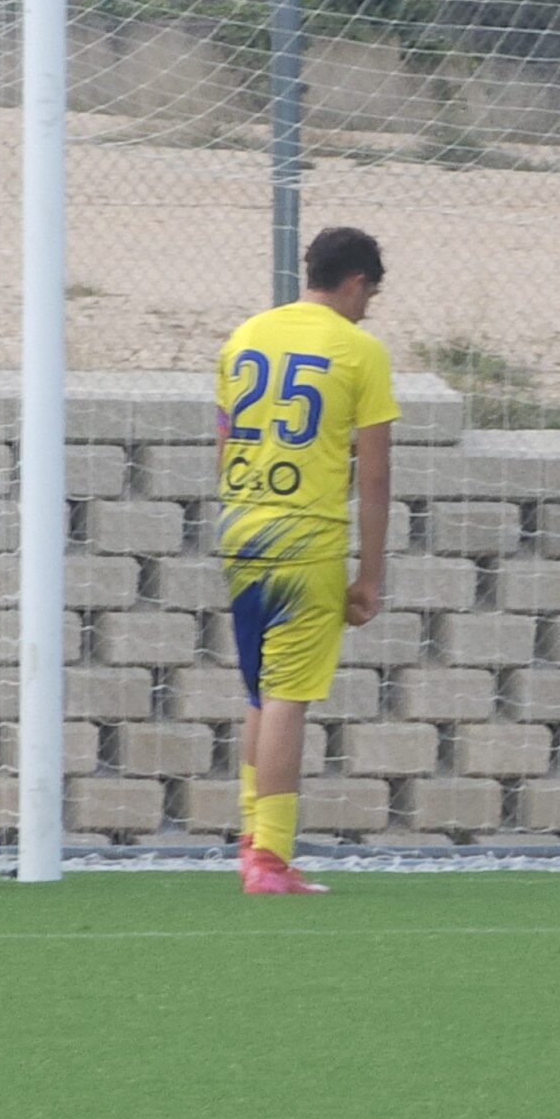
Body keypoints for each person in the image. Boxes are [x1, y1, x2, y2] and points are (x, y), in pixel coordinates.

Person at [216, 225, 399, 895]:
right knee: (289, 697)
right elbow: (374, 475)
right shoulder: (359, 351)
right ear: (355, 282)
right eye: (368, 297)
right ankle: (270, 858)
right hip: (306, 537)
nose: (366, 310)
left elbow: (224, 442)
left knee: (260, 692)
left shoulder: (245, 336)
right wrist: (369, 575)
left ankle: (251, 840)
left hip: (240, 527)